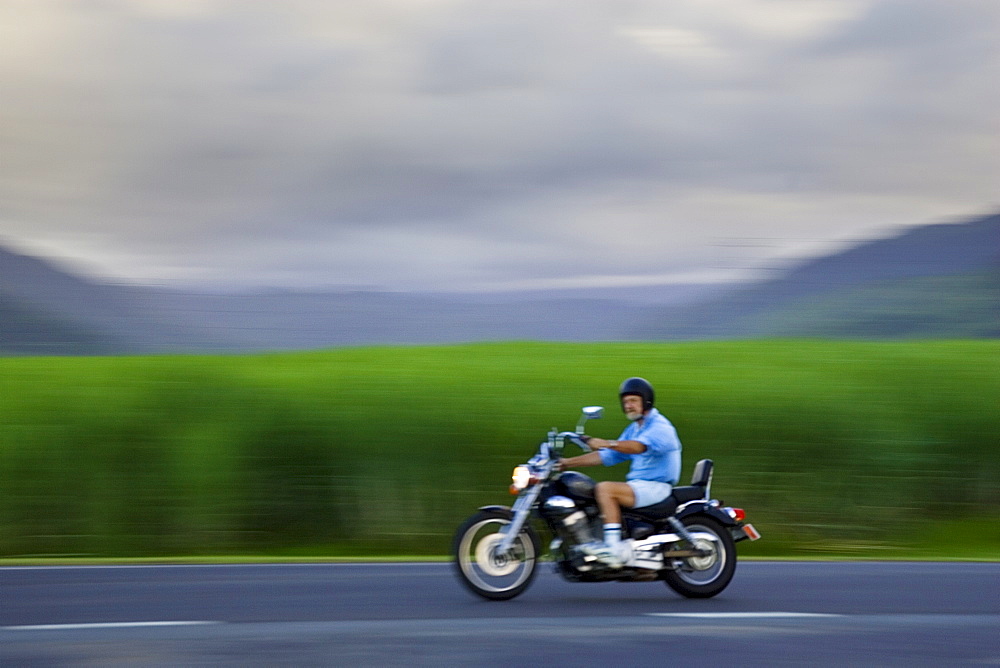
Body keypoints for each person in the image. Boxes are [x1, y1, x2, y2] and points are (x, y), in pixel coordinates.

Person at [557, 377, 682, 567]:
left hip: (655, 487)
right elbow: (607, 456)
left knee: (605, 489)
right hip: (640, 485)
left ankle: (614, 549)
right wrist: (567, 463)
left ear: (646, 401)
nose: (628, 406)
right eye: (625, 402)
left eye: (633, 401)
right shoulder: (635, 428)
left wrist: (607, 443)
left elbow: (637, 447)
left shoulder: (660, 426)